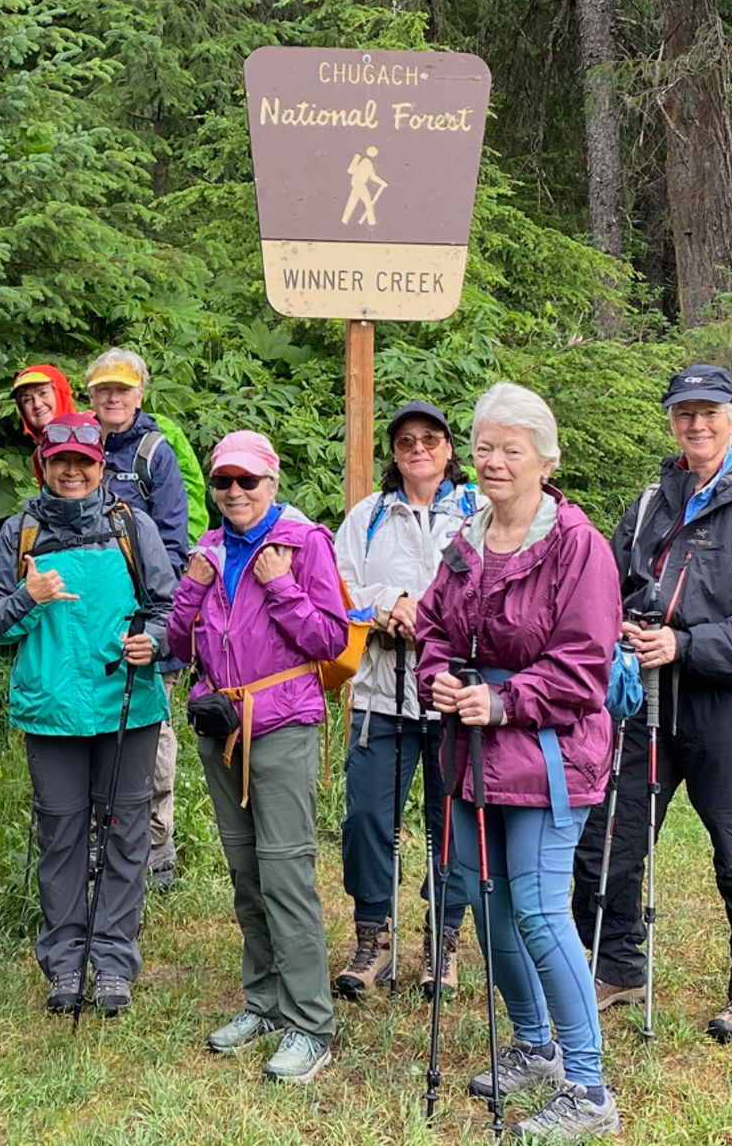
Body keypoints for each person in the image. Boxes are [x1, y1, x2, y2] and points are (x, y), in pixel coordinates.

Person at [571, 364, 732, 1045]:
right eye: (684, 412)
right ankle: (616, 963)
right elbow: (606, 583)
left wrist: (684, 644)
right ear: (672, 420)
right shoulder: (651, 500)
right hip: (643, 698)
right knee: (605, 838)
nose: (697, 423)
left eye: (710, 411)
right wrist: (618, 625)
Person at [416, 382, 623, 1142]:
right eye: (485, 445)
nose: (494, 459)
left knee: (538, 906)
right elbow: (434, 625)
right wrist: (436, 678)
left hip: (546, 750)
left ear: (545, 456)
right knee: (487, 899)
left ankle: (590, 1087)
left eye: (511, 447)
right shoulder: (467, 538)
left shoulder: (578, 545)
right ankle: (532, 1045)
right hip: (473, 749)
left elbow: (582, 668)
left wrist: (503, 702)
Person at [168, 430, 348, 1085]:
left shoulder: (304, 545)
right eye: (224, 482)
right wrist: (191, 586)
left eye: (247, 480)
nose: (235, 492)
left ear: (272, 483)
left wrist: (280, 586)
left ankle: (311, 1023)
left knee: (285, 874)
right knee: (247, 872)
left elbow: (330, 637)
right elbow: (175, 638)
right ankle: (266, 1002)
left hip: (281, 723)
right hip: (221, 727)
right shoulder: (208, 549)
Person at [0, 412, 174, 1017]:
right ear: (44, 464)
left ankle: (113, 963)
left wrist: (155, 643)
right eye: (59, 461)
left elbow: (169, 609)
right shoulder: (21, 532)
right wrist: (27, 597)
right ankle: (64, 965)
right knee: (61, 840)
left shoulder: (130, 527)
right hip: (52, 710)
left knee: (124, 835)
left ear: (99, 468)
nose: (71, 471)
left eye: (82, 462)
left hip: (128, 706)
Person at [331, 401, 480, 999]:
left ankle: (440, 941)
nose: (418, 449)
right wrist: (388, 605)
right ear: (394, 454)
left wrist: (432, 618)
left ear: (449, 449)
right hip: (380, 690)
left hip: (453, 694)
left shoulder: (479, 513)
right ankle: (373, 939)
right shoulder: (368, 516)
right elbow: (337, 589)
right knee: (368, 817)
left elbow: (499, 587)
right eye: (406, 441)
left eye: (430, 439)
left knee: (453, 822)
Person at [85, 348, 194, 890]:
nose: (113, 398)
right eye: (104, 389)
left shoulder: (155, 453)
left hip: (145, 619)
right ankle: (97, 841)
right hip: (86, 623)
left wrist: (157, 619)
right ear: (90, 396)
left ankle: (156, 847)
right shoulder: (73, 447)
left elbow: (174, 542)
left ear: (140, 395)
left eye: (122, 389)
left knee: (153, 735)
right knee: (92, 728)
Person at [10, 362, 77, 481]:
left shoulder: (93, 431)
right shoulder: (40, 455)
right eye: (27, 400)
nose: (37, 404)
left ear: (59, 393)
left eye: (43, 393)